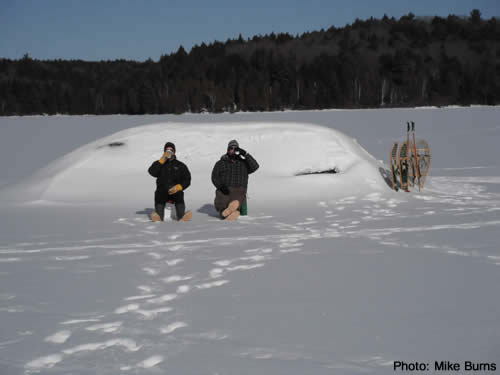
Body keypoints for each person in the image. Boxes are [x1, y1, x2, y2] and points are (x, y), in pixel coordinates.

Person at [211, 140, 259, 220]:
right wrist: (221, 186)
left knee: (237, 202)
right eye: (231, 148)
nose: (233, 150)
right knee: (223, 204)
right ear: (227, 150)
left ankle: (233, 211)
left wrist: (245, 154)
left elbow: (255, 166)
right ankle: (228, 213)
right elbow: (214, 177)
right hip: (224, 191)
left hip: (239, 192)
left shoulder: (243, 163)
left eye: (235, 149)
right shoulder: (220, 163)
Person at [148, 142, 192, 222]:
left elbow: (187, 179)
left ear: (174, 152)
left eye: (171, 150)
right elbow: (152, 172)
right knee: (159, 194)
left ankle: (181, 217)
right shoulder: (159, 163)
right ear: (164, 152)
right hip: (162, 191)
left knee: (179, 194)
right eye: (167, 150)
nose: (169, 152)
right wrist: (161, 161)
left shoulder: (180, 165)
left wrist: (180, 187)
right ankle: (158, 217)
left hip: (175, 190)